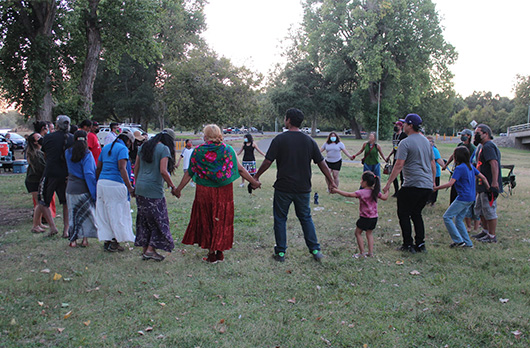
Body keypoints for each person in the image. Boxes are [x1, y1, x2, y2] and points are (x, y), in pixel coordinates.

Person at [254, 108, 336, 262]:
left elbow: (267, 161)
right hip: (303, 188)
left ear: (288, 120)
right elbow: (322, 163)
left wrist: (256, 177)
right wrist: (331, 182)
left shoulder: (280, 139)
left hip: (283, 188)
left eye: (285, 118)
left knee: (280, 219)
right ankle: (315, 250)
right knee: (305, 218)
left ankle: (280, 253)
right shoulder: (309, 141)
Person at [174, 124, 260, 263]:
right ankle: (219, 252)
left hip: (205, 191)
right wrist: (254, 182)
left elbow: (189, 173)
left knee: (208, 219)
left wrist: (178, 189)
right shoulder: (228, 150)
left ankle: (212, 253)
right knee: (222, 218)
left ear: (206, 136)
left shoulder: (198, 151)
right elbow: (241, 169)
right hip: (224, 191)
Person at [383, 114, 435, 254]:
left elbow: (399, 164)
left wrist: (388, 184)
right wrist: (433, 182)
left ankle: (408, 244)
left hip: (412, 184)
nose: (403, 126)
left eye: (404, 123)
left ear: (410, 125)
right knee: (417, 214)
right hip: (426, 185)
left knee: (404, 214)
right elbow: (432, 163)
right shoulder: (426, 142)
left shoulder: (405, 142)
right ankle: (420, 244)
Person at [134, 131, 178, 261]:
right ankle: (150, 250)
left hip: (140, 188)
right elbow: (163, 171)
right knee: (159, 220)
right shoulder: (163, 149)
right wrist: (172, 186)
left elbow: (136, 167)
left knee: (144, 219)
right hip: (153, 190)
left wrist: (137, 185)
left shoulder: (144, 146)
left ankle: (145, 249)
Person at [434, 146, 490, 248]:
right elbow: (483, 177)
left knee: (447, 217)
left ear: (457, 157)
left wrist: (436, 188)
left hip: (463, 198)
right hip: (471, 198)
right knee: (459, 219)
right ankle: (468, 243)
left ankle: (458, 241)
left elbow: (450, 184)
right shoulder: (470, 167)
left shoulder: (459, 168)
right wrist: (489, 188)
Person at [331, 171, 389, 258]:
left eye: (361, 180)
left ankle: (362, 252)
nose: (360, 182)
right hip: (374, 218)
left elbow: (348, 194)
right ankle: (370, 252)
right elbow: (385, 197)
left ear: (365, 182)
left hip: (364, 218)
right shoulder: (375, 192)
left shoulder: (361, 192)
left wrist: (336, 190)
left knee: (358, 233)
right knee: (369, 234)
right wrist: (387, 190)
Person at [96, 130, 136, 252]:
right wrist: (129, 187)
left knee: (105, 213)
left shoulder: (106, 147)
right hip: (115, 184)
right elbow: (122, 168)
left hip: (102, 183)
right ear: (128, 141)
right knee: (118, 214)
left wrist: (99, 181)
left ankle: (107, 240)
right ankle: (115, 242)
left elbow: (98, 167)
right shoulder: (122, 149)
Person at [37, 115, 74, 237]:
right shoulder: (72, 139)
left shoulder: (48, 138)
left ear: (57, 125)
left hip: (50, 173)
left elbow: (45, 155)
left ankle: (53, 227)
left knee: (43, 200)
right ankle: (66, 229)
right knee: (66, 202)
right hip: (66, 174)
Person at [65, 130, 98, 248]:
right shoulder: (87, 154)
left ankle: (73, 240)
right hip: (83, 188)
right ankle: (84, 239)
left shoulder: (67, 152)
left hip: (70, 187)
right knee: (86, 215)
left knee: (73, 214)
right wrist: (94, 193)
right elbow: (89, 174)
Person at [472, 124, 502, 243]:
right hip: (481, 185)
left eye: (478, 133)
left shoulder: (488, 146)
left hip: (488, 185)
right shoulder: (481, 146)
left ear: (486, 134)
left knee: (489, 210)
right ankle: (485, 231)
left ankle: (492, 236)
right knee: (480, 209)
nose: (476, 136)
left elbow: (494, 163)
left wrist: (494, 182)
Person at [25, 132, 56, 234]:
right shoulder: (35, 154)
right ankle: (35, 226)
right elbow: (42, 167)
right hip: (33, 181)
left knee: (39, 202)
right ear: (34, 142)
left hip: (36, 180)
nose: (41, 138)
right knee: (39, 203)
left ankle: (39, 223)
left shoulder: (39, 152)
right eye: (38, 137)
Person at [442, 129, 476, 204]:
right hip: (457, 170)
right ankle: (452, 205)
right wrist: (446, 165)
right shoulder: (460, 145)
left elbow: (473, 162)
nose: (462, 137)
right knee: (454, 188)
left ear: (469, 136)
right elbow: (453, 155)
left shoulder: (472, 148)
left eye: (464, 135)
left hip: (465, 172)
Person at [385, 121, 407, 197]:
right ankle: (396, 191)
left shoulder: (404, 135)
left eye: (397, 125)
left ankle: (402, 191)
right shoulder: (394, 135)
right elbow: (394, 147)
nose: (395, 126)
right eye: (395, 125)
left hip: (402, 158)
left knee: (402, 176)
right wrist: (389, 156)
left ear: (401, 127)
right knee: (393, 174)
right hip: (395, 157)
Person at [426, 136, 445, 206]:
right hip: (427, 172)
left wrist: (444, 166)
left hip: (435, 173)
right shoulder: (425, 150)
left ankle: (432, 201)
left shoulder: (434, 150)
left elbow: (438, 159)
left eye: (429, 141)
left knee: (434, 187)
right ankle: (427, 200)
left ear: (432, 143)